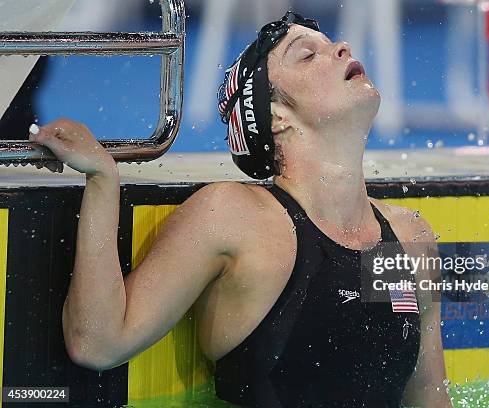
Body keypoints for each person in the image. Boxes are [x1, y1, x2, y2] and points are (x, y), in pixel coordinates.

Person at [31, 11, 452, 408]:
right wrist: (103, 181)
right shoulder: (235, 219)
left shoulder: (409, 238)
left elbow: (429, 397)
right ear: (278, 116)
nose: (341, 47)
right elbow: (98, 344)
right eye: (308, 55)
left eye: (330, 43)